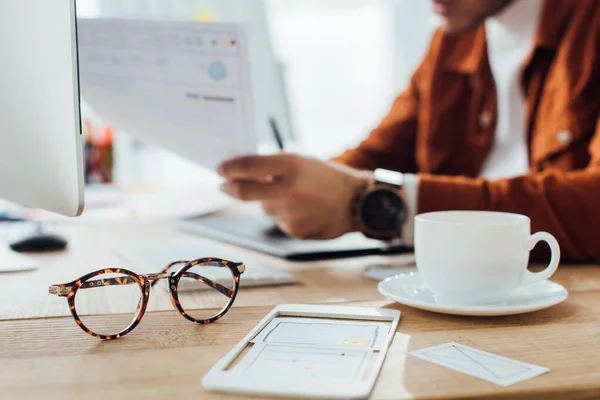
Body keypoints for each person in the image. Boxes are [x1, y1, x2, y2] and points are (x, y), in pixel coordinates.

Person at [218, 0, 600, 262]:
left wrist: (371, 204)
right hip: (460, 286)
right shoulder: (455, 35)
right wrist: (298, 186)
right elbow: (379, 153)